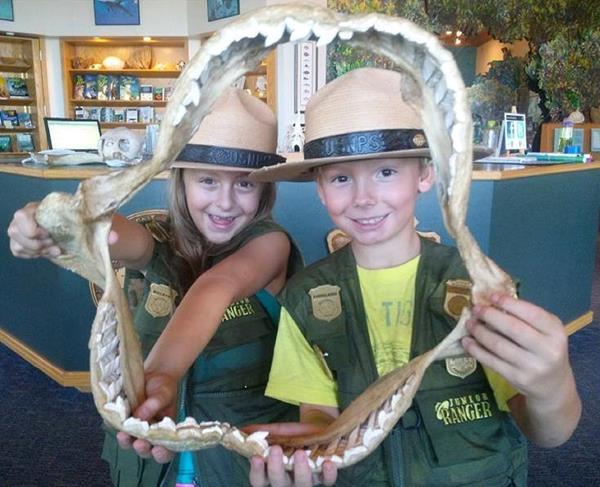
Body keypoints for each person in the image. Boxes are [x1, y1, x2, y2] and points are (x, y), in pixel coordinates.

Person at [246, 68, 581, 487]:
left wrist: (553, 387)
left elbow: (545, 431)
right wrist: (313, 453)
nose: (364, 197)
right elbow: (318, 414)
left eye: (386, 172)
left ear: (424, 174)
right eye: (341, 177)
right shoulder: (305, 300)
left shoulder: (482, 289)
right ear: (319, 187)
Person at [8, 88, 302, 487]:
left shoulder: (270, 244)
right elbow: (111, 232)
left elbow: (215, 286)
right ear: (182, 180)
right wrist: (50, 221)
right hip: (151, 463)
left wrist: (162, 373)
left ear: (265, 190)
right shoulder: (158, 239)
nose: (226, 202)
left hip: (235, 459)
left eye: (245, 185)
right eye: (208, 181)